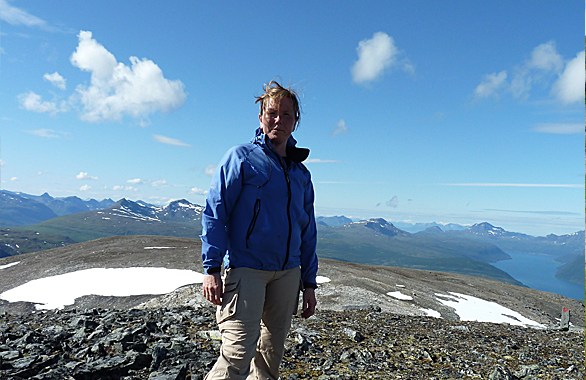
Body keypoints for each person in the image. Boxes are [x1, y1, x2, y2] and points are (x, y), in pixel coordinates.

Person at [200, 80, 318, 379]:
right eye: (272, 113)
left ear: (296, 121)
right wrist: (211, 268)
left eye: (287, 114)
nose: (279, 120)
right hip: (247, 270)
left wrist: (309, 283)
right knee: (236, 356)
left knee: (269, 358)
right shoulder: (240, 158)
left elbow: (307, 230)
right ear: (261, 116)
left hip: (288, 274)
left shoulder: (300, 174)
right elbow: (216, 212)